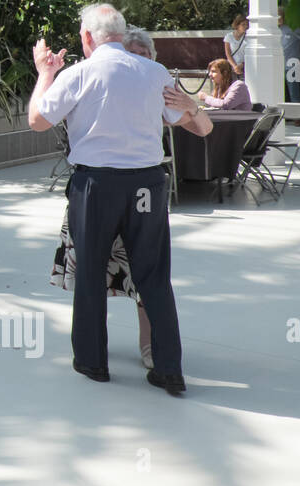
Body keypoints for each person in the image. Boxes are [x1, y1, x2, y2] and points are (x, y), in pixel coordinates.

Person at [29, 4, 188, 396]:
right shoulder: (154, 72)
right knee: (154, 276)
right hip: (147, 184)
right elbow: (177, 117)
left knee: (90, 273)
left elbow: (37, 119)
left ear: (87, 37)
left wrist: (45, 74)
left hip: (96, 185)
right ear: (120, 32)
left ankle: (92, 360)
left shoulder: (79, 73)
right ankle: (169, 368)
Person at [49, 26, 212, 371]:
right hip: (111, 183)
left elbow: (203, 128)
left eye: (142, 55)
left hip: (116, 186)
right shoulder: (113, 78)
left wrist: (193, 105)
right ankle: (102, 360)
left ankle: (154, 357)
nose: (135, 60)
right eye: (130, 53)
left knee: (144, 274)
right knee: (105, 272)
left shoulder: (151, 80)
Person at [223, 13, 249, 78]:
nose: (246, 26)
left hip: (244, 66)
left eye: (247, 25)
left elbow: (249, 54)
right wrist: (235, 66)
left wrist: (241, 65)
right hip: (232, 65)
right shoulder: (229, 36)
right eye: (243, 24)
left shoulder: (248, 37)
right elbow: (228, 53)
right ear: (237, 25)